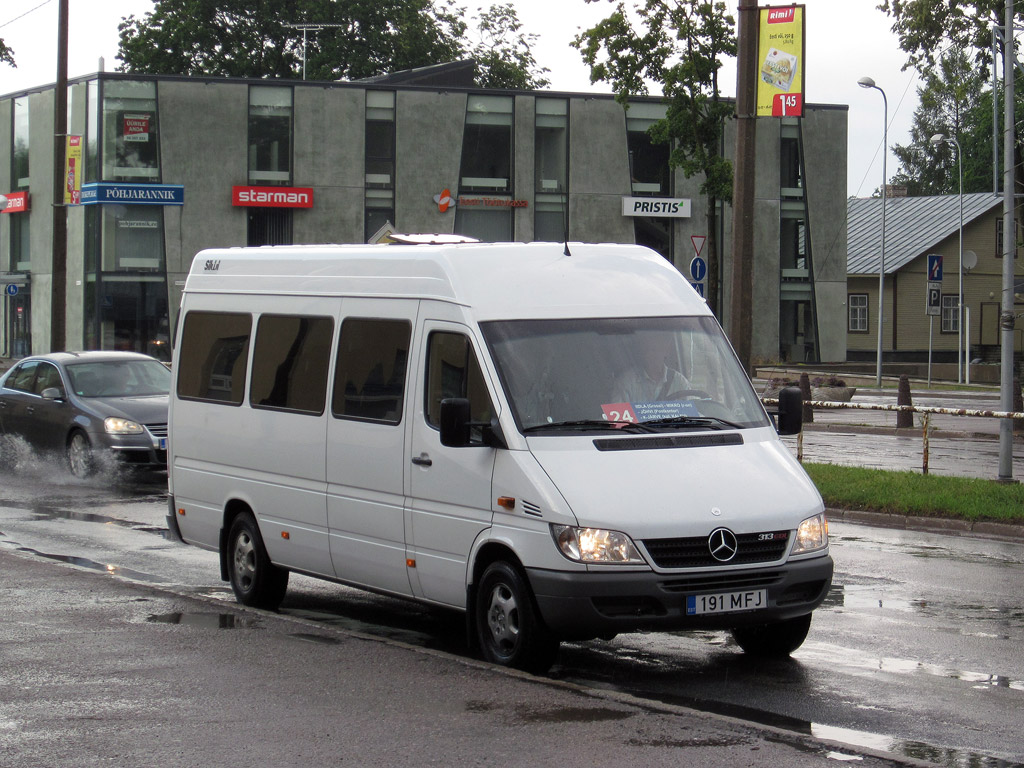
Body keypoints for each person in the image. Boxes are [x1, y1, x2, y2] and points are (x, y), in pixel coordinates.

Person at [614, 332, 689, 403]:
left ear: (666, 351)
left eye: (656, 349)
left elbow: (693, 411)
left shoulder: (680, 382)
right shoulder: (627, 382)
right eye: (648, 349)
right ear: (642, 352)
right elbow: (617, 414)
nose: (651, 354)